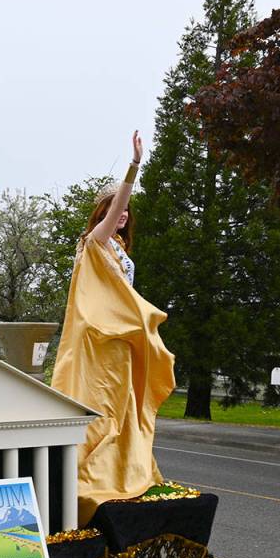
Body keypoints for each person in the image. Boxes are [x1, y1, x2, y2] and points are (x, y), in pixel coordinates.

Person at [51, 131, 176, 526]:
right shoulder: (95, 242)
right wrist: (134, 166)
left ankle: (123, 470)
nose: (121, 216)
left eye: (124, 213)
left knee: (124, 404)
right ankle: (86, 475)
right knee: (100, 404)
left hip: (120, 339)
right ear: (102, 214)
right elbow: (113, 212)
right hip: (96, 342)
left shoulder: (120, 250)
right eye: (113, 211)